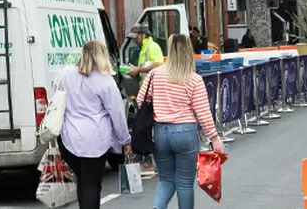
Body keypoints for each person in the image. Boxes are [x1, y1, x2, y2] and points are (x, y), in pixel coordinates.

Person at [137, 34, 225, 209]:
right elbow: (203, 112)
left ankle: (157, 207)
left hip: (160, 132)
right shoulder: (193, 79)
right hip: (185, 132)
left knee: (166, 179)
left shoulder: (155, 75)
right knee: (185, 183)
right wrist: (214, 138)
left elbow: (141, 100)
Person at [55, 41, 130, 209]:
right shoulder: (105, 81)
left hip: (68, 139)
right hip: (95, 140)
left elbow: (57, 100)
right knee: (91, 185)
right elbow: (116, 113)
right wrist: (125, 139)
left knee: (82, 181)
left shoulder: (65, 74)